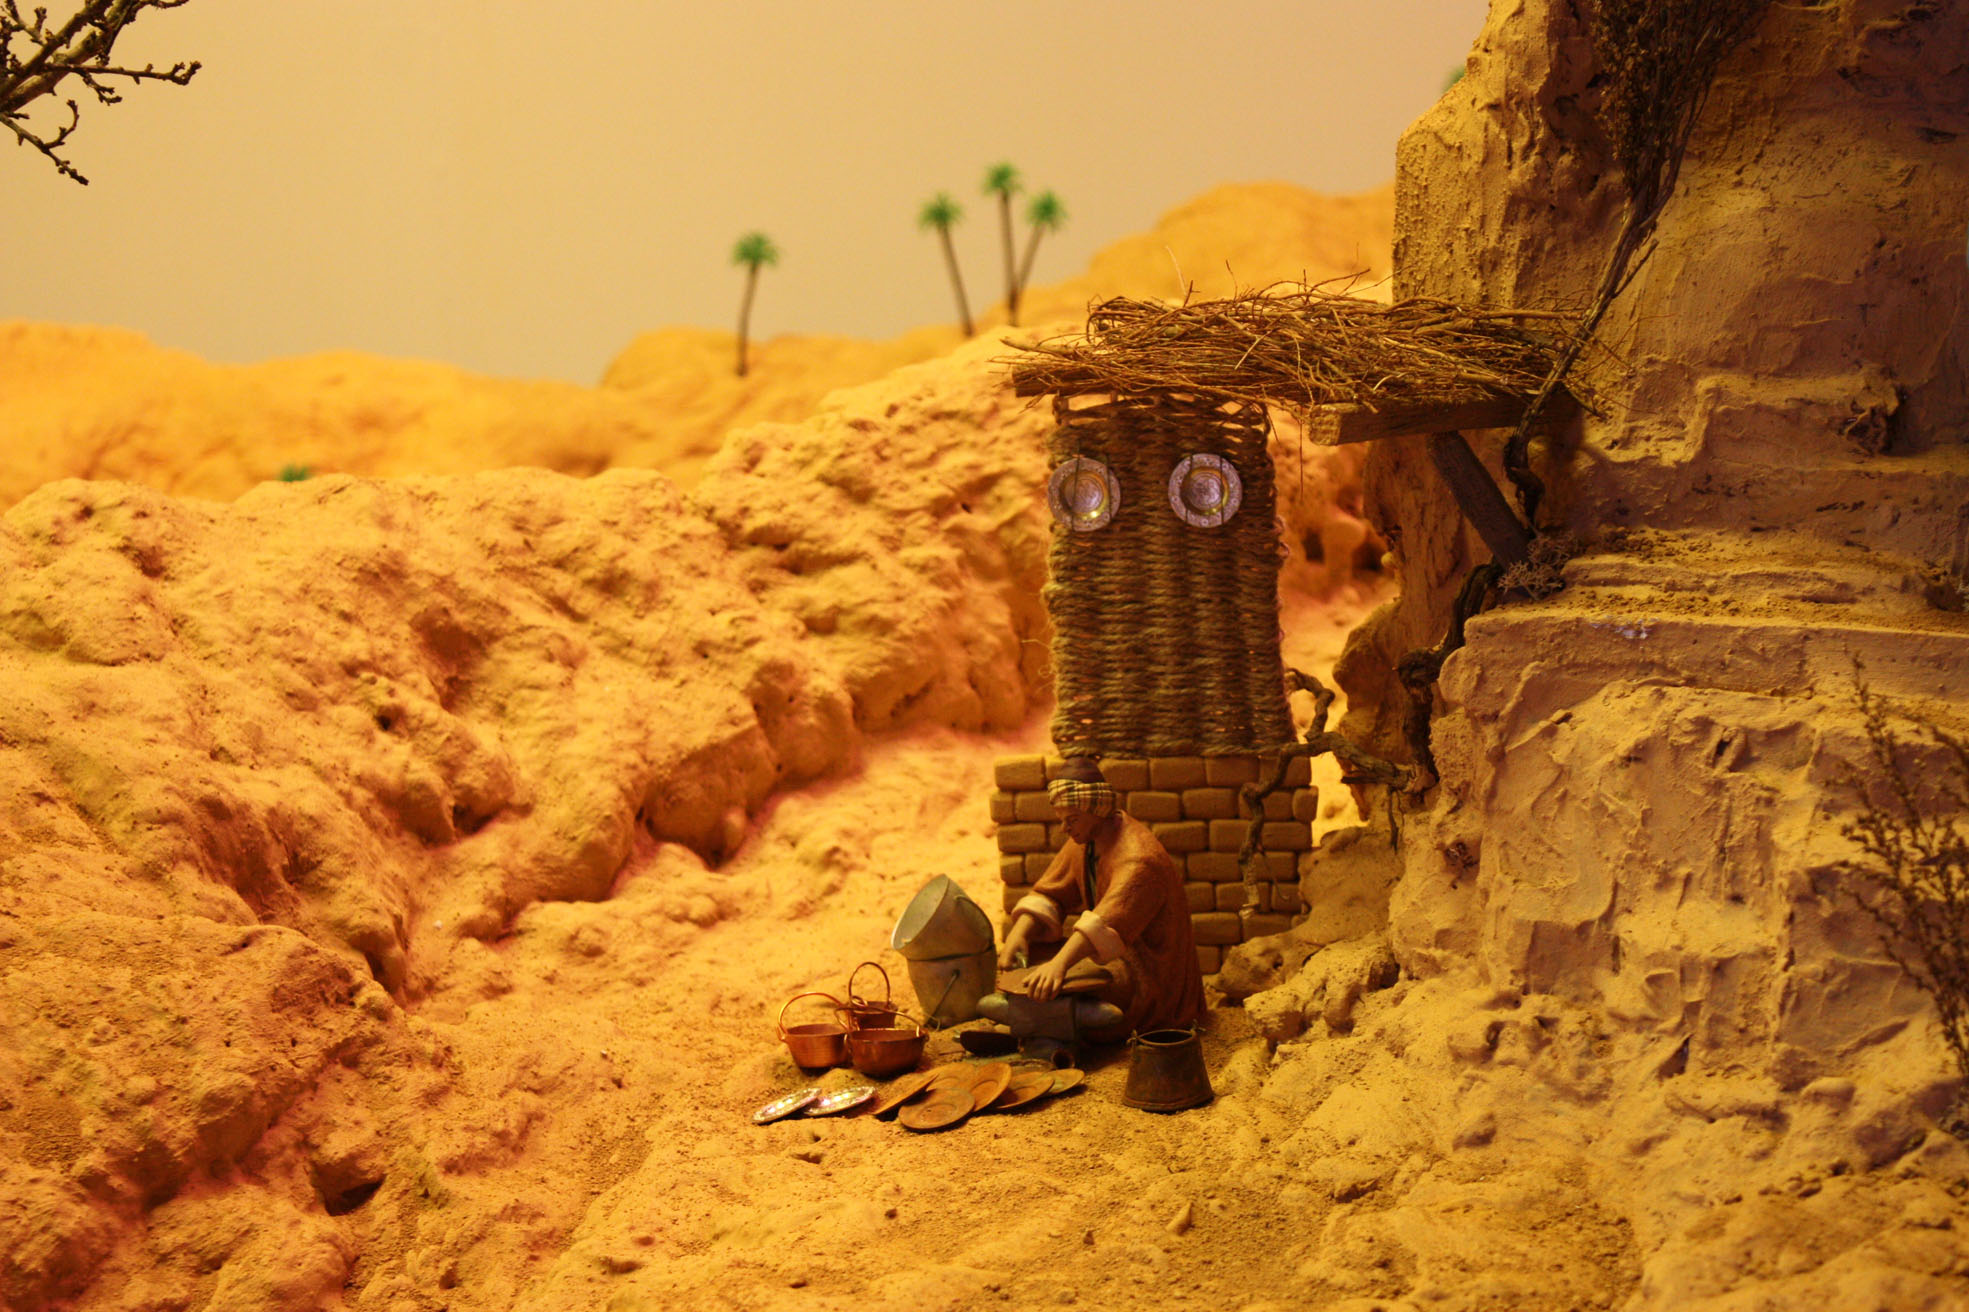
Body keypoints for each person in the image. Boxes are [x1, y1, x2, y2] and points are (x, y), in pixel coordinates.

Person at [997, 758, 1206, 1043]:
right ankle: (1047, 1013)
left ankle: (1052, 1017)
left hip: (1148, 971)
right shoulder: (1086, 840)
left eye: (1071, 819)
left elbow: (1106, 922)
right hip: (1112, 956)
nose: (1064, 828)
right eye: (1061, 819)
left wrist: (1059, 965)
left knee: (1066, 980)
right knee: (1033, 958)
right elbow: (1051, 892)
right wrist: (1019, 934)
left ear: (1097, 810)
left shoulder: (1139, 858)